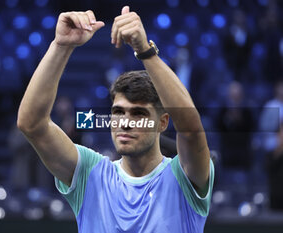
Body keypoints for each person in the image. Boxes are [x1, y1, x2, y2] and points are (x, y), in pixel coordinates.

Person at [17, 6, 214, 233]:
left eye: (139, 113)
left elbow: (190, 128)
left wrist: (145, 51)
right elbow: (31, 124)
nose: (126, 122)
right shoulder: (90, 173)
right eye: (118, 112)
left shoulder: (185, 177)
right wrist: (61, 46)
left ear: (162, 122)